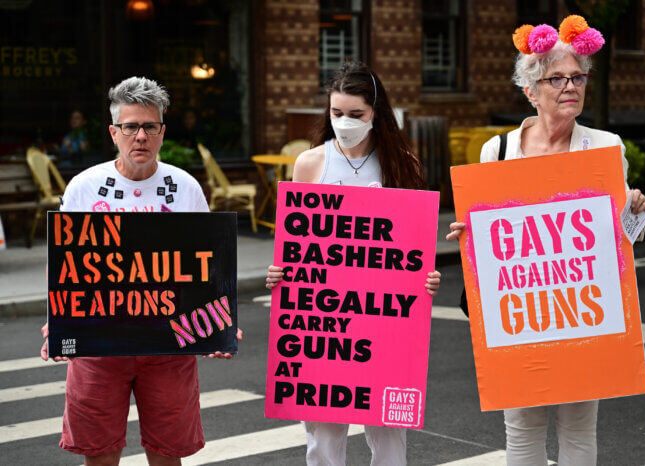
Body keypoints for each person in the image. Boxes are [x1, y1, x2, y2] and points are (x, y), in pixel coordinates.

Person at [446, 16, 645, 466]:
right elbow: (487, 238)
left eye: (578, 76)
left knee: (579, 434)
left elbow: (621, 241)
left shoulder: (604, 148)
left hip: (582, 314)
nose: (570, 86)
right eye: (557, 78)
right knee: (521, 435)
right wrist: (469, 236)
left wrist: (636, 213)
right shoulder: (497, 152)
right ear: (530, 90)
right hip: (520, 319)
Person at [40, 76, 242, 466]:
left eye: (150, 127)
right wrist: (57, 321)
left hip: (169, 344)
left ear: (163, 131)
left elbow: (208, 267)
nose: (140, 137)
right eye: (130, 127)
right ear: (114, 132)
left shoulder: (185, 188)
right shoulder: (85, 187)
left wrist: (222, 322)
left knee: (167, 455)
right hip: (99, 343)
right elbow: (65, 265)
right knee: (99, 454)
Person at [265, 60, 441, 466]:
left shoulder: (402, 165)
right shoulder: (311, 163)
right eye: (336, 113)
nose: (345, 121)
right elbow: (294, 241)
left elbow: (414, 247)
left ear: (377, 114)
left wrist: (426, 277)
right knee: (323, 437)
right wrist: (280, 271)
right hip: (325, 321)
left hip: (385, 321)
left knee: (389, 433)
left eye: (356, 114)